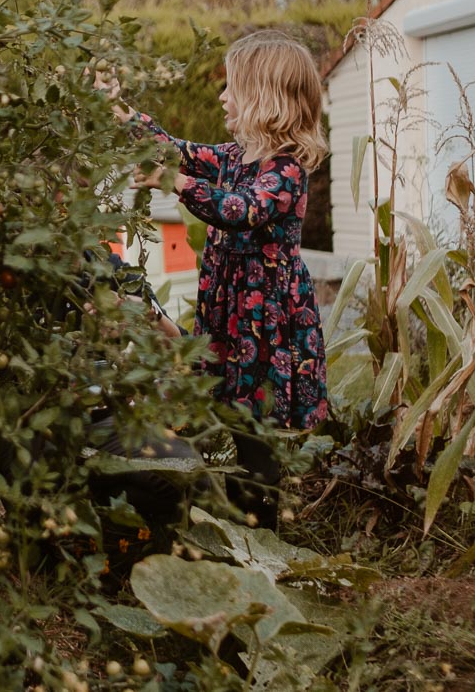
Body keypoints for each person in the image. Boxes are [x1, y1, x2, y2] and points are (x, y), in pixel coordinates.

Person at [121, 30, 331, 525]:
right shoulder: (235, 158)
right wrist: (125, 116)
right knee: (232, 416)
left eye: (232, 88)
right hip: (232, 317)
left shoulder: (286, 172)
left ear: (264, 99)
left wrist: (175, 182)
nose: (221, 97)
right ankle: (232, 520)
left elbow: (241, 209)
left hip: (265, 326)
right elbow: (176, 150)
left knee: (257, 440)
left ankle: (261, 535)